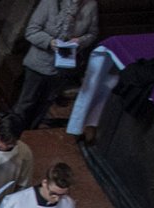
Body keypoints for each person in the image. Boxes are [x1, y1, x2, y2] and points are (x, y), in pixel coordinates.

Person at [13, 0, 99, 129]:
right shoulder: (50, 2)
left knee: (45, 103)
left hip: (63, 66)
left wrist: (80, 41)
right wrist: (50, 42)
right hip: (39, 63)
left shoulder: (91, 5)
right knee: (26, 101)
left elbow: (92, 33)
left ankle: (32, 132)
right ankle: (14, 131)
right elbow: (31, 31)